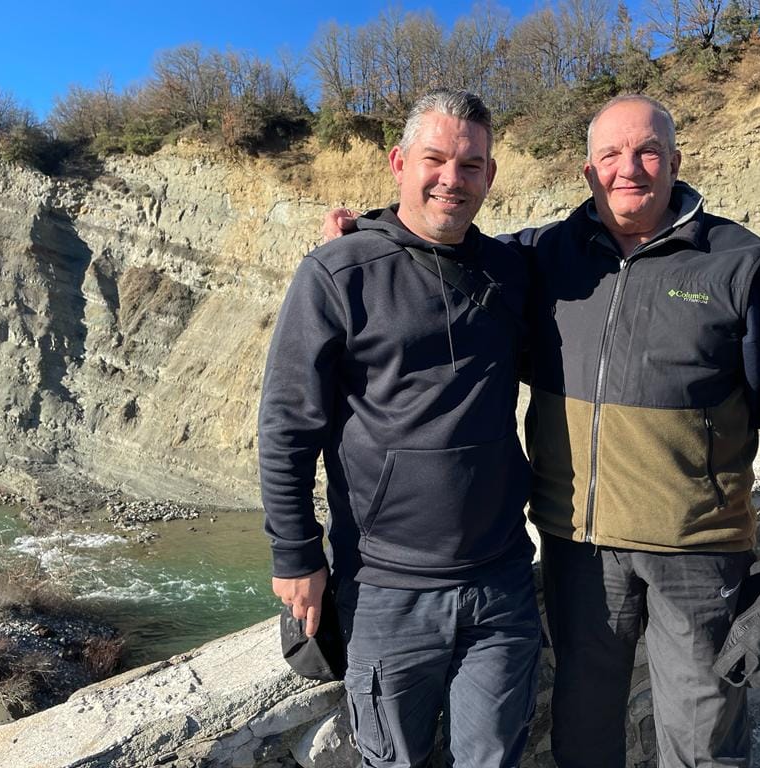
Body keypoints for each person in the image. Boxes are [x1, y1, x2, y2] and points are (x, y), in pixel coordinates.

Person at [324, 94, 760, 768]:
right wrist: (367, 233)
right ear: (589, 171)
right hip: (580, 548)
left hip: (697, 545)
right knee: (584, 730)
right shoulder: (545, 256)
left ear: (675, 161)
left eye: (648, 152)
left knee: (703, 735)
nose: (630, 168)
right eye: (611, 155)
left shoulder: (734, 261)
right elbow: (444, 237)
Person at [259, 88, 541, 768]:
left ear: (490, 175)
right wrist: (296, 555)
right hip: (386, 586)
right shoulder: (337, 273)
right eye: (434, 159)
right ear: (399, 163)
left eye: (470, 165)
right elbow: (288, 425)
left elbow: (598, 242)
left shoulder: (512, 271)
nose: (452, 178)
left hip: (502, 578)